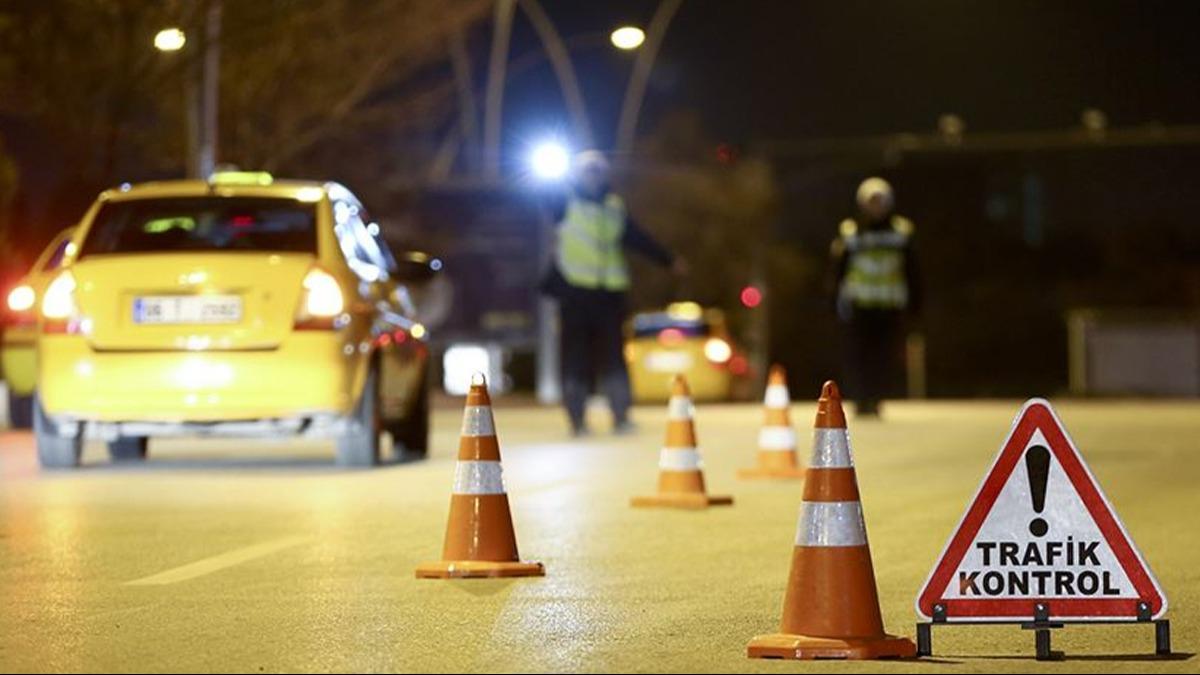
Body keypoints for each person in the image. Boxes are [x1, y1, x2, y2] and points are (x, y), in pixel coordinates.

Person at [541, 150, 684, 436]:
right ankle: (577, 418)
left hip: (609, 293)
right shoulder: (563, 202)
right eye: (587, 172)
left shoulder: (613, 207)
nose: (593, 177)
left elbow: (638, 238)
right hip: (575, 292)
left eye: (598, 171)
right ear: (578, 175)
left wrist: (669, 260)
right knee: (575, 357)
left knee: (614, 356)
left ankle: (620, 415)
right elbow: (542, 194)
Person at [829, 177, 921, 417]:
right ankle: (860, 399)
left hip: (889, 305)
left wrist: (915, 302)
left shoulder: (902, 231)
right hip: (859, 305)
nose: (876, 207)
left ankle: (876, 398)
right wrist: (833, 299)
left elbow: (913, 269)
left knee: (884, 356)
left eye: (880, 201)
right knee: (858, 355)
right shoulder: (850, 231)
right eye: (872, 202)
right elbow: (838, 270)